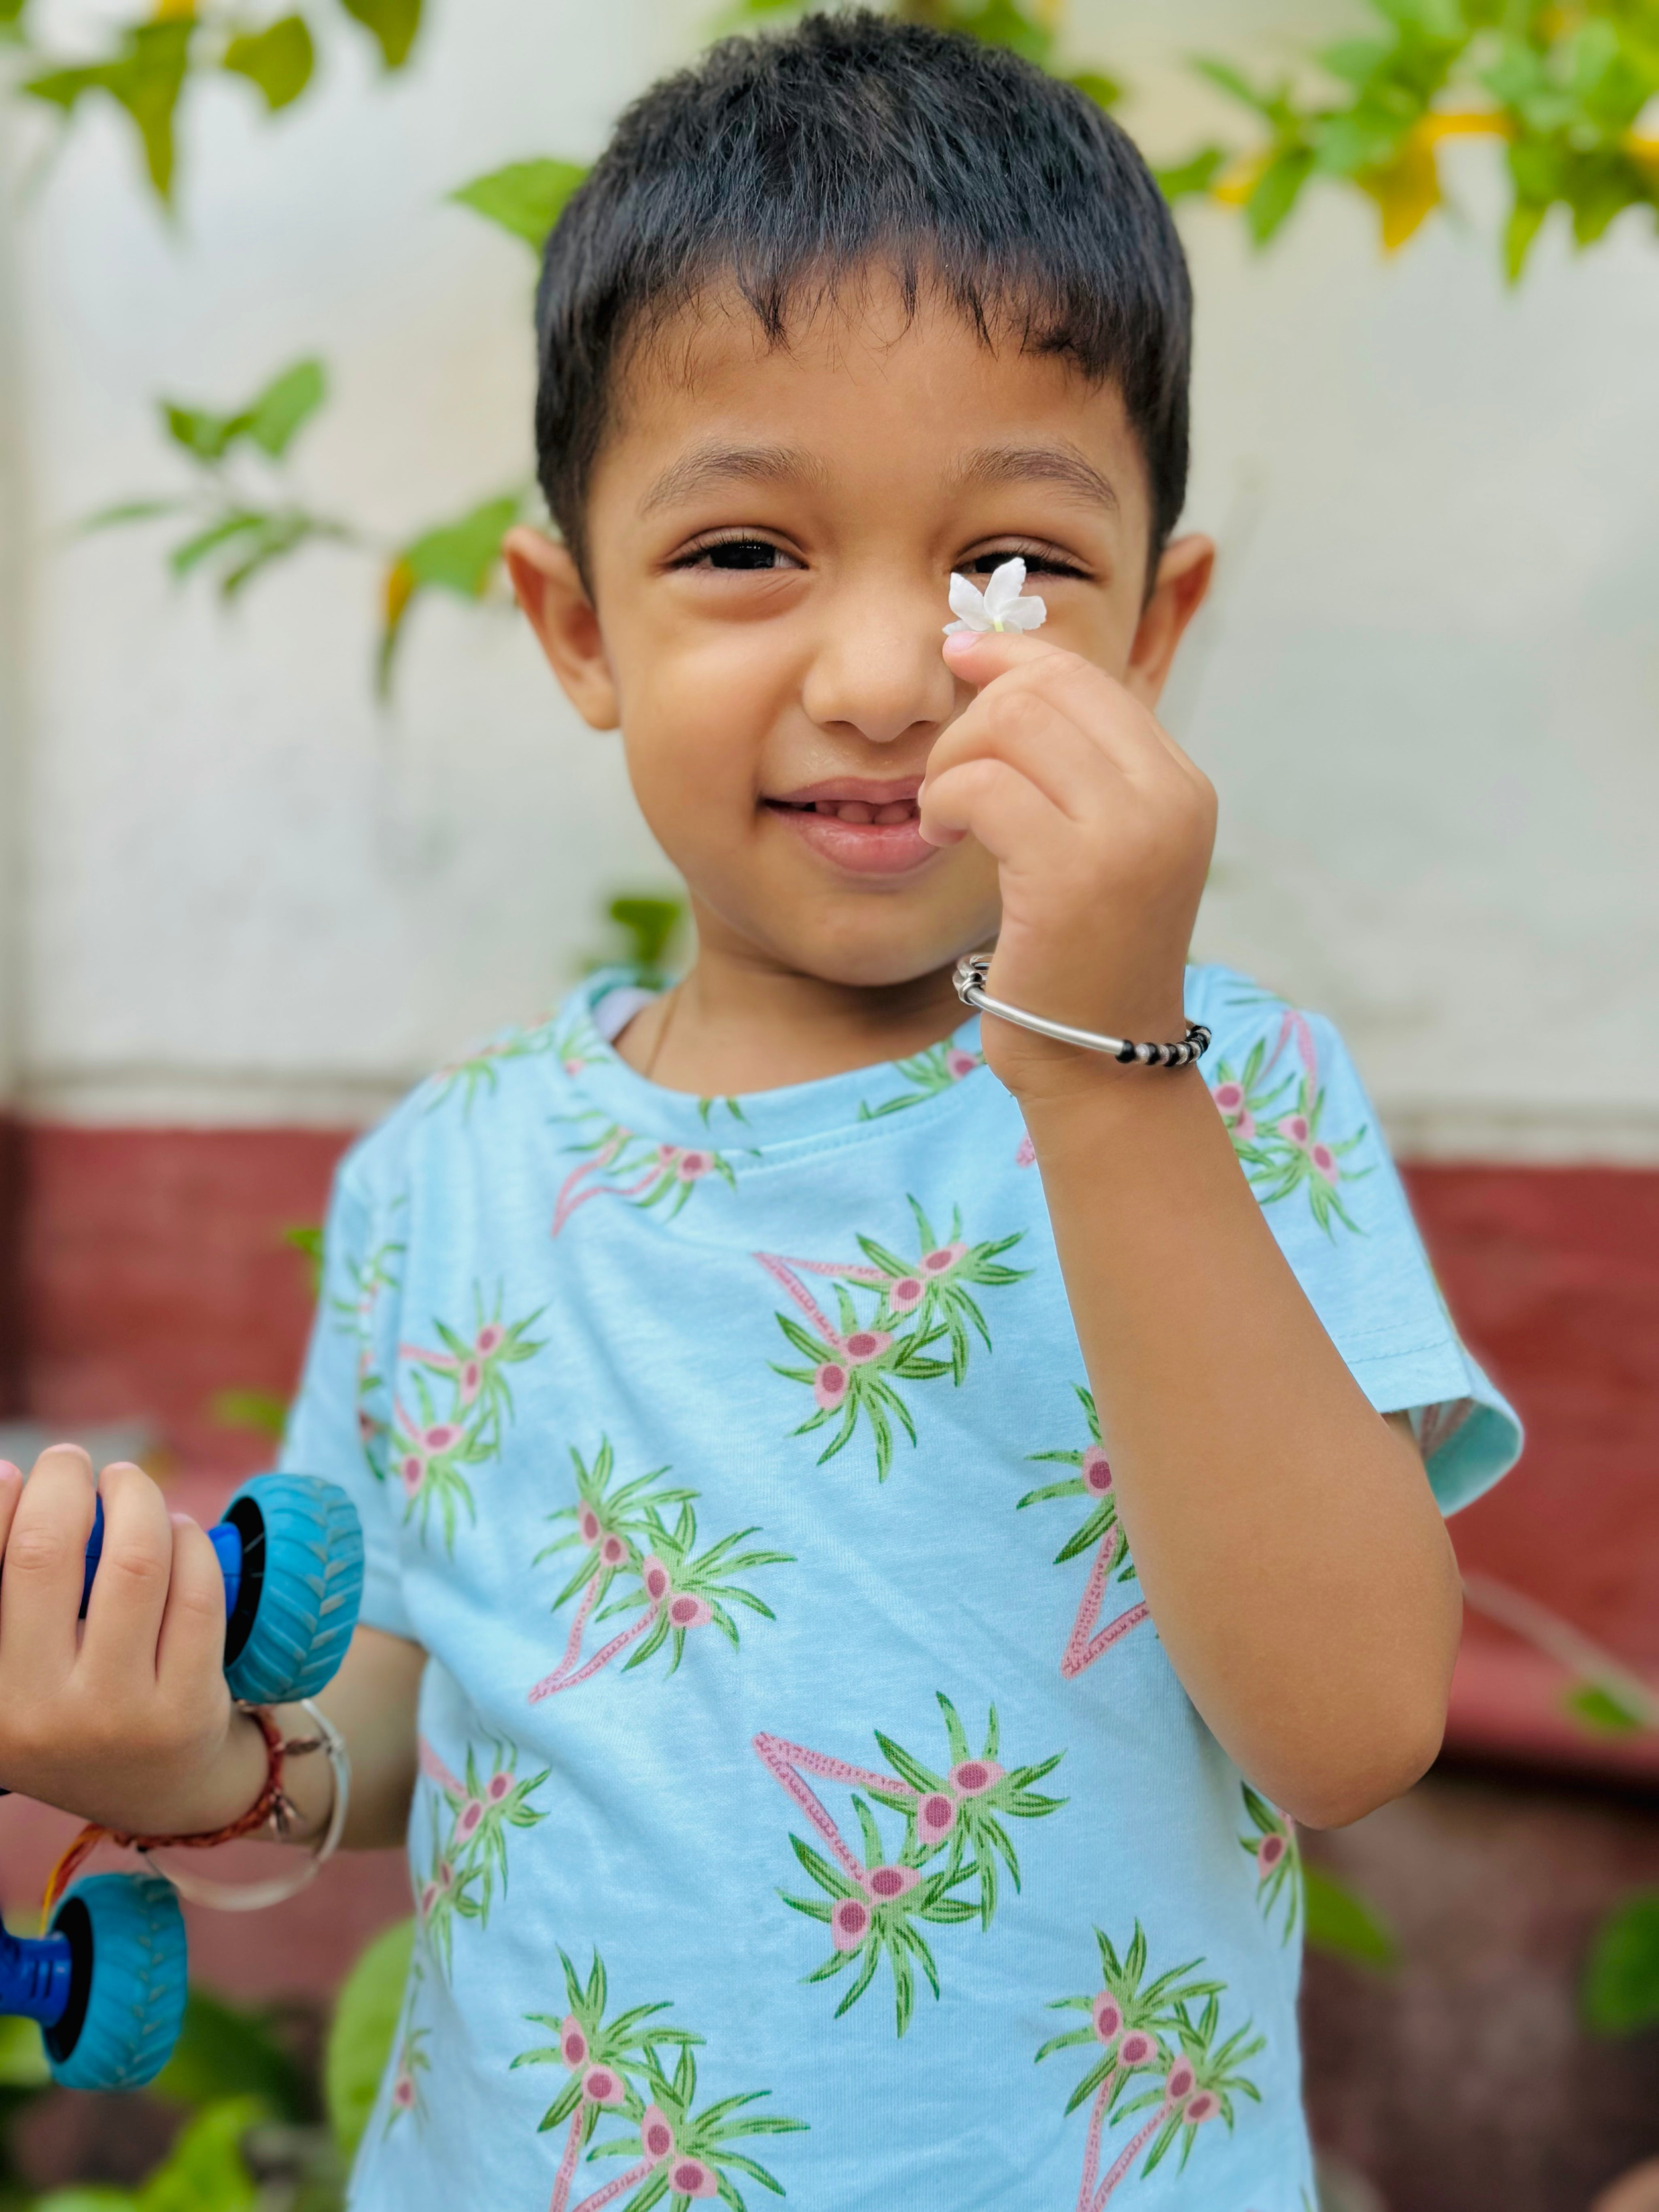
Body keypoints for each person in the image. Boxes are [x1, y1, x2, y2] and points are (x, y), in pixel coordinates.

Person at [0, 17, 1519, 2207]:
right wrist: (208, 1759)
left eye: (1012, 564)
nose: (890, 671)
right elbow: (421, 1697)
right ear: (571, 619)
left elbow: (1353, 1726)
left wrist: (1100, 1078)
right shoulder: (448, 1178)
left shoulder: (1225, 1093)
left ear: (1151, 628)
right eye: (744, 554)